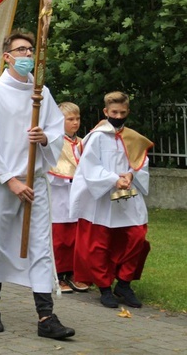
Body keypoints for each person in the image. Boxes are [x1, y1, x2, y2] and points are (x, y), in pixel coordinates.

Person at [0, 31, 75, 339]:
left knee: (39, 245)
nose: (27, 55)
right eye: (20, 50)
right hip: (3, 183)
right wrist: (9, 180)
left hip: (35, 182)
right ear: (7, 56)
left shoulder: (41, 93)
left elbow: (54, 129)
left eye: (29, 50)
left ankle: (46, 317)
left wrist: (45, 138)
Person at [69, 91, 153, 309]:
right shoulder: (96, 137)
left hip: (129, 195)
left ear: (128, 112)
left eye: (122, 112)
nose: (118, 116)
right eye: (114, 112)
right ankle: (105, 287)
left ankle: (124, 282)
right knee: (99, 243)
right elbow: (89, 166)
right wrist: (114, 179)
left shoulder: (133, 137)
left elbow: (141, 161)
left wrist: (131, 175)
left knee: (137, 236)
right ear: (106, 112)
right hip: (102, 197)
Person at [48, 102, 90, 293]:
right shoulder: (54, 142)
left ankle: (74, 273)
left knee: (76, 237)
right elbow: (50, 169)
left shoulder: (82, 143)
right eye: (70, 119)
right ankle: (58, 274)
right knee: (60, 238)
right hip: (60, 196)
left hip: (79, 197)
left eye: (77, 119)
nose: (75, 123)